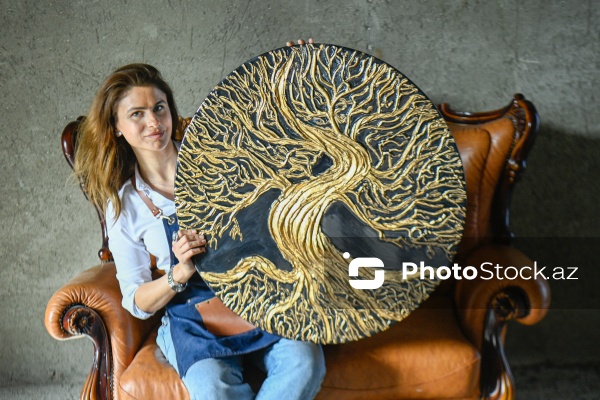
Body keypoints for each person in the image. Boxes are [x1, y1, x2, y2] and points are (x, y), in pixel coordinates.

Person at [73, 41, 325, 400]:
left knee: (305, 362)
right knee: (212, 389)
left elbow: (279, 133)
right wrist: (179, 274)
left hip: (261, 297)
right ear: (116, 127)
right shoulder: (125, 206)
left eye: (159, 108)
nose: (153, 122)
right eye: (137, 114)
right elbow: (136, 299)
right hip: (193, 319)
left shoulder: (219, 159)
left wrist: (300, 70)